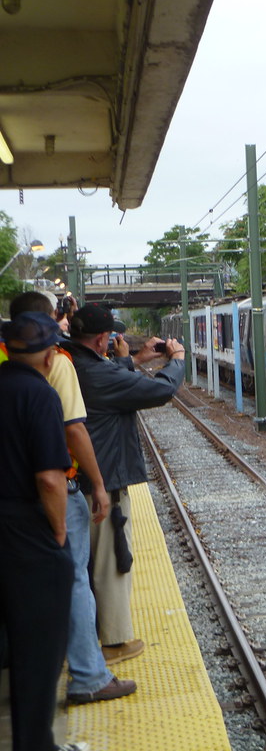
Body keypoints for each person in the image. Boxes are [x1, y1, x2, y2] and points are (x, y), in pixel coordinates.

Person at [9, 292, 136, 704]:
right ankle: (88, 676)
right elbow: (74, 431)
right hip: (51, 491)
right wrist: (96, 487)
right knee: (73, 577)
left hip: (8, 495)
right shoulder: (56, 368)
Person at [64, 304, 186, 664]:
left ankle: (93, 638)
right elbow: (160, 391)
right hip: (103, 478)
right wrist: (175, 360)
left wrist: (135, 359)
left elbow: (102, 378)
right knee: (111, 559)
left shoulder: (70, 361)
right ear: (103, 338)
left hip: (79, 477)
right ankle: (114, 641)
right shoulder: (95, 372)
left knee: (87, 563)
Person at [0, 312, 75, 751]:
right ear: (50, 355)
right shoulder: (39, 395)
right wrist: (59, 533)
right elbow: (50, 478)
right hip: (24, 528)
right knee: (38, 649)